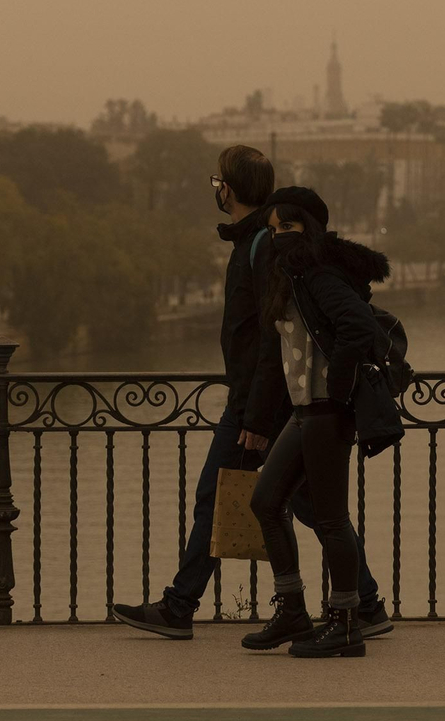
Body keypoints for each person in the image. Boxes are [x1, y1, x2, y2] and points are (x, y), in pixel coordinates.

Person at [112, 150, 389, 641]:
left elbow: (270, 335)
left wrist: (257, 417)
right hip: (270, 402)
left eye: (217, 181)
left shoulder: (263, 243)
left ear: (229, 189)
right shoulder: (260, 240)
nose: (216, 190)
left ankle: (180, 606)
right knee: (306, 505)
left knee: (216, 498)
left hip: (258, 406)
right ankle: (364, 605)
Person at [242, 187, 388, 658]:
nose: (277, 236)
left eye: (287, 227)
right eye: (271, 229)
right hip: (304, 411)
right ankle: (292, 610)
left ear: (309, 227)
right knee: (265, 501)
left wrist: (339, 386)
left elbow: (359, 327)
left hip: (326, 411)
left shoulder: (320, 274)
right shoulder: (291, 277)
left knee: (330, 519)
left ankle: (346, 621)